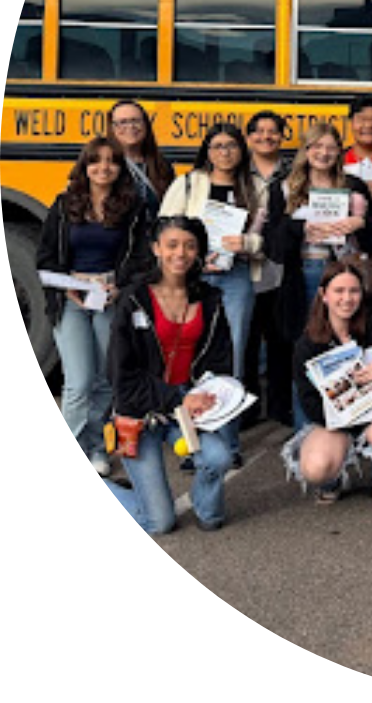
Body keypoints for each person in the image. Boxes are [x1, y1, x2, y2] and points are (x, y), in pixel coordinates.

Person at [104, 216, 235, 534]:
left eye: (190, 246)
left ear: (199, 253)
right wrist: (178, 396)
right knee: (159, 523)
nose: (181, 253)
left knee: (218, 457)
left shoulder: (210, 300)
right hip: (138, 415)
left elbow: (220, 364)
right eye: (172, 244)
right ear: (156, 249)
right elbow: (121, 376)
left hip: (185, 414)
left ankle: (207, 509)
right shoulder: (133, 298)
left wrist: (212, 395)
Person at [37, 136, 152, 476]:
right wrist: (68, 283)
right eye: (96, 161)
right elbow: (44, 257)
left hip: (108, 295)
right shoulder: (64, 205)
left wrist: (120, 286)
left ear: (120, 167)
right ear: (84, 166)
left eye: (112, 161)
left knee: (104, 379)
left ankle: (97, 448)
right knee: (78, 381)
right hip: (70, 296)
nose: (104, 167)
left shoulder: (133, 208)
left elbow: (141, 259)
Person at [284, 260, 372, 510]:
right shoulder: (308, 344)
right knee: (315, 467)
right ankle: (332, 479)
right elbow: (308, 402)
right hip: (334, 421)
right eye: (339, 291)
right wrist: (345, 412)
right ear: (324, 295)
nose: (347, 299)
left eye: (354, 291)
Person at [266, 122, 372, 360]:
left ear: (340, 152)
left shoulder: (353, 186)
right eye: (317, 146)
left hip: (347, 271)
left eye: (331, 147)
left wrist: (359, 223)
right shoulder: (286, 188)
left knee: (346, 340)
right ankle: (305, 398)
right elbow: (272, 243)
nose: (324, 153)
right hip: (304, 272)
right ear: (306, 150)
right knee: (307, 345)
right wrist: (301, 228)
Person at [160, 123, 265, 386]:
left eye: (231, 146)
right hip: (192, 276)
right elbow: (163, 230)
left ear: (242, 150)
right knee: (187, 342)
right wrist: (191, 257)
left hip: (236, 276)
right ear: (207, 151)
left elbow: (272, 239)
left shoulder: (257, 187)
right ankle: (185, 412)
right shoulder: (187, 184)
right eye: (217, 146)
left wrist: (248, 243)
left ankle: (227, 419)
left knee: (234, 345)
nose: (225, 153)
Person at [244, 110, 292, 426]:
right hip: (243, 265)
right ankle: (247, 406)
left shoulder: (291, 172)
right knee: (246, 336)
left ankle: (279, 404)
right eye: (258, 131)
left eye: (273, 131)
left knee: (280, 336)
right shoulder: (237, 169)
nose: (266, 137)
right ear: (248, 137)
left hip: (278, 264)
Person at [107, 99, 175, 217]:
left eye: (136, 121)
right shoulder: (104, 166)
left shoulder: (162, 167)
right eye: (122, 122)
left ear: (146, 125)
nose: (131, 126)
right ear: (112, 128)